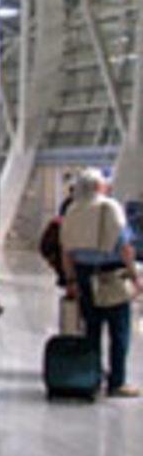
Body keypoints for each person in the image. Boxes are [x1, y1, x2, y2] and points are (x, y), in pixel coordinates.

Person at [60, 168, 141, 398]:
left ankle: (91, 376)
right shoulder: (110, 207)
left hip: (84, 276)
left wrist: (71, 279)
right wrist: (135, 276)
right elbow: (125, 247)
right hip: (111, 276)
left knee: (91, 330)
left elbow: (66, 250)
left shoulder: (72, 210)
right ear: (99, 186)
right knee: (119, 331)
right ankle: (117, 382)